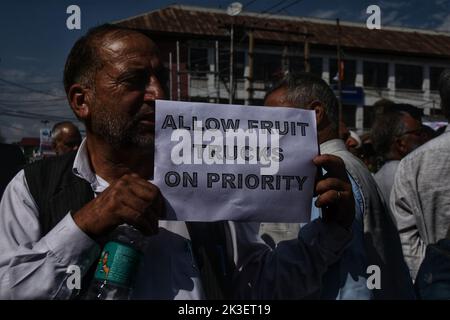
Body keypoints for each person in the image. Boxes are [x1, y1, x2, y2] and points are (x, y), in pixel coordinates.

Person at [0, 24, 355, 300]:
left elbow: (255, 290)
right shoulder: (33, 188)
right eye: (135, 81)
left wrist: (330, 230)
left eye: (162, 79)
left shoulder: (210, 178)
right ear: (81, 101)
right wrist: (84, 226)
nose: (159, 94)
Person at [262, 72, 415, 299]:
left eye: (273, 121)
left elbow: (350, 280)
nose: (266, 132)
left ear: (315, 113)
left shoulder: (325, 171)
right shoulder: (345, 166)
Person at [390, 69, 450, 281]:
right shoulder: (415, 162)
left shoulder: (414, 162)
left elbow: (405, 235)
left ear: (443, 106)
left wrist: (424, 277)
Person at [371, 109, 427, 205]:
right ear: (401, 143)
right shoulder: (407, 177)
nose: (424, 137)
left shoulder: (377, 177)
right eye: (418, 133)